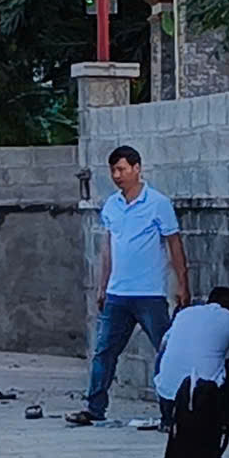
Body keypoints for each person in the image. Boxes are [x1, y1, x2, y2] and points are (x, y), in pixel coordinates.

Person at [67, 145, 188, 427]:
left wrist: (182, 284)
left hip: (150, 294)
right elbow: (108, 248)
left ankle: (171, 412)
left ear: (137, 168)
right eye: (113, 170)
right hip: (118, 294)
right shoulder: (112, 205)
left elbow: (174, 244)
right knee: (104, 352)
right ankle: (94, 407)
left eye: (121, 169)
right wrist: (102, 286)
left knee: (166, 352)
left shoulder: (158, 203)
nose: (117, 175)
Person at [156, 287, 229, 458]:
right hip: (202, 396)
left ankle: (167, 418)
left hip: (168, 394)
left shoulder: (184, 314)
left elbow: (162, 347)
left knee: (164, 358)